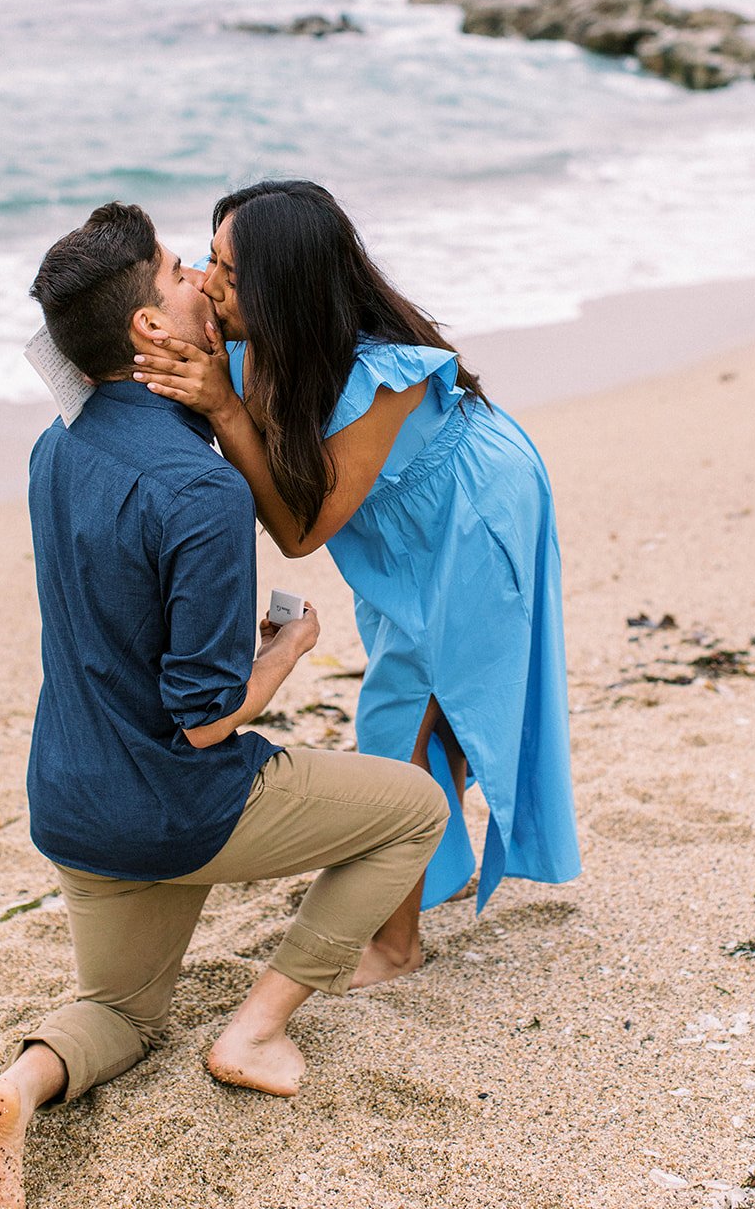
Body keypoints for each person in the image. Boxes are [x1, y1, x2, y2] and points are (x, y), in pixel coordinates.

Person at [0, 202, 448, 1209]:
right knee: (413, 808)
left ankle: (18, 1084)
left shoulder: (57, 444)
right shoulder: (201, 492)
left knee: (122, 1013)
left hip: (71, 802)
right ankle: (258, 1026)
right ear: (145, 327)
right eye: (180, 271)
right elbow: (206, 718)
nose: (201, 285)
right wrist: (291, 645)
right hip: (177, 801)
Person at [133, 179, 581, 988]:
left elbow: (300, 535)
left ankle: (396, 943)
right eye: (204, 260)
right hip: (394, 525)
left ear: (283, 290)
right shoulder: (252, 338)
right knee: (416, 694)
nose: (206, 281)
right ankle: (418, 872)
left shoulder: (385, 377)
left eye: (227, 271)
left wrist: (229, 415)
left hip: (472, 512)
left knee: (403, 708)